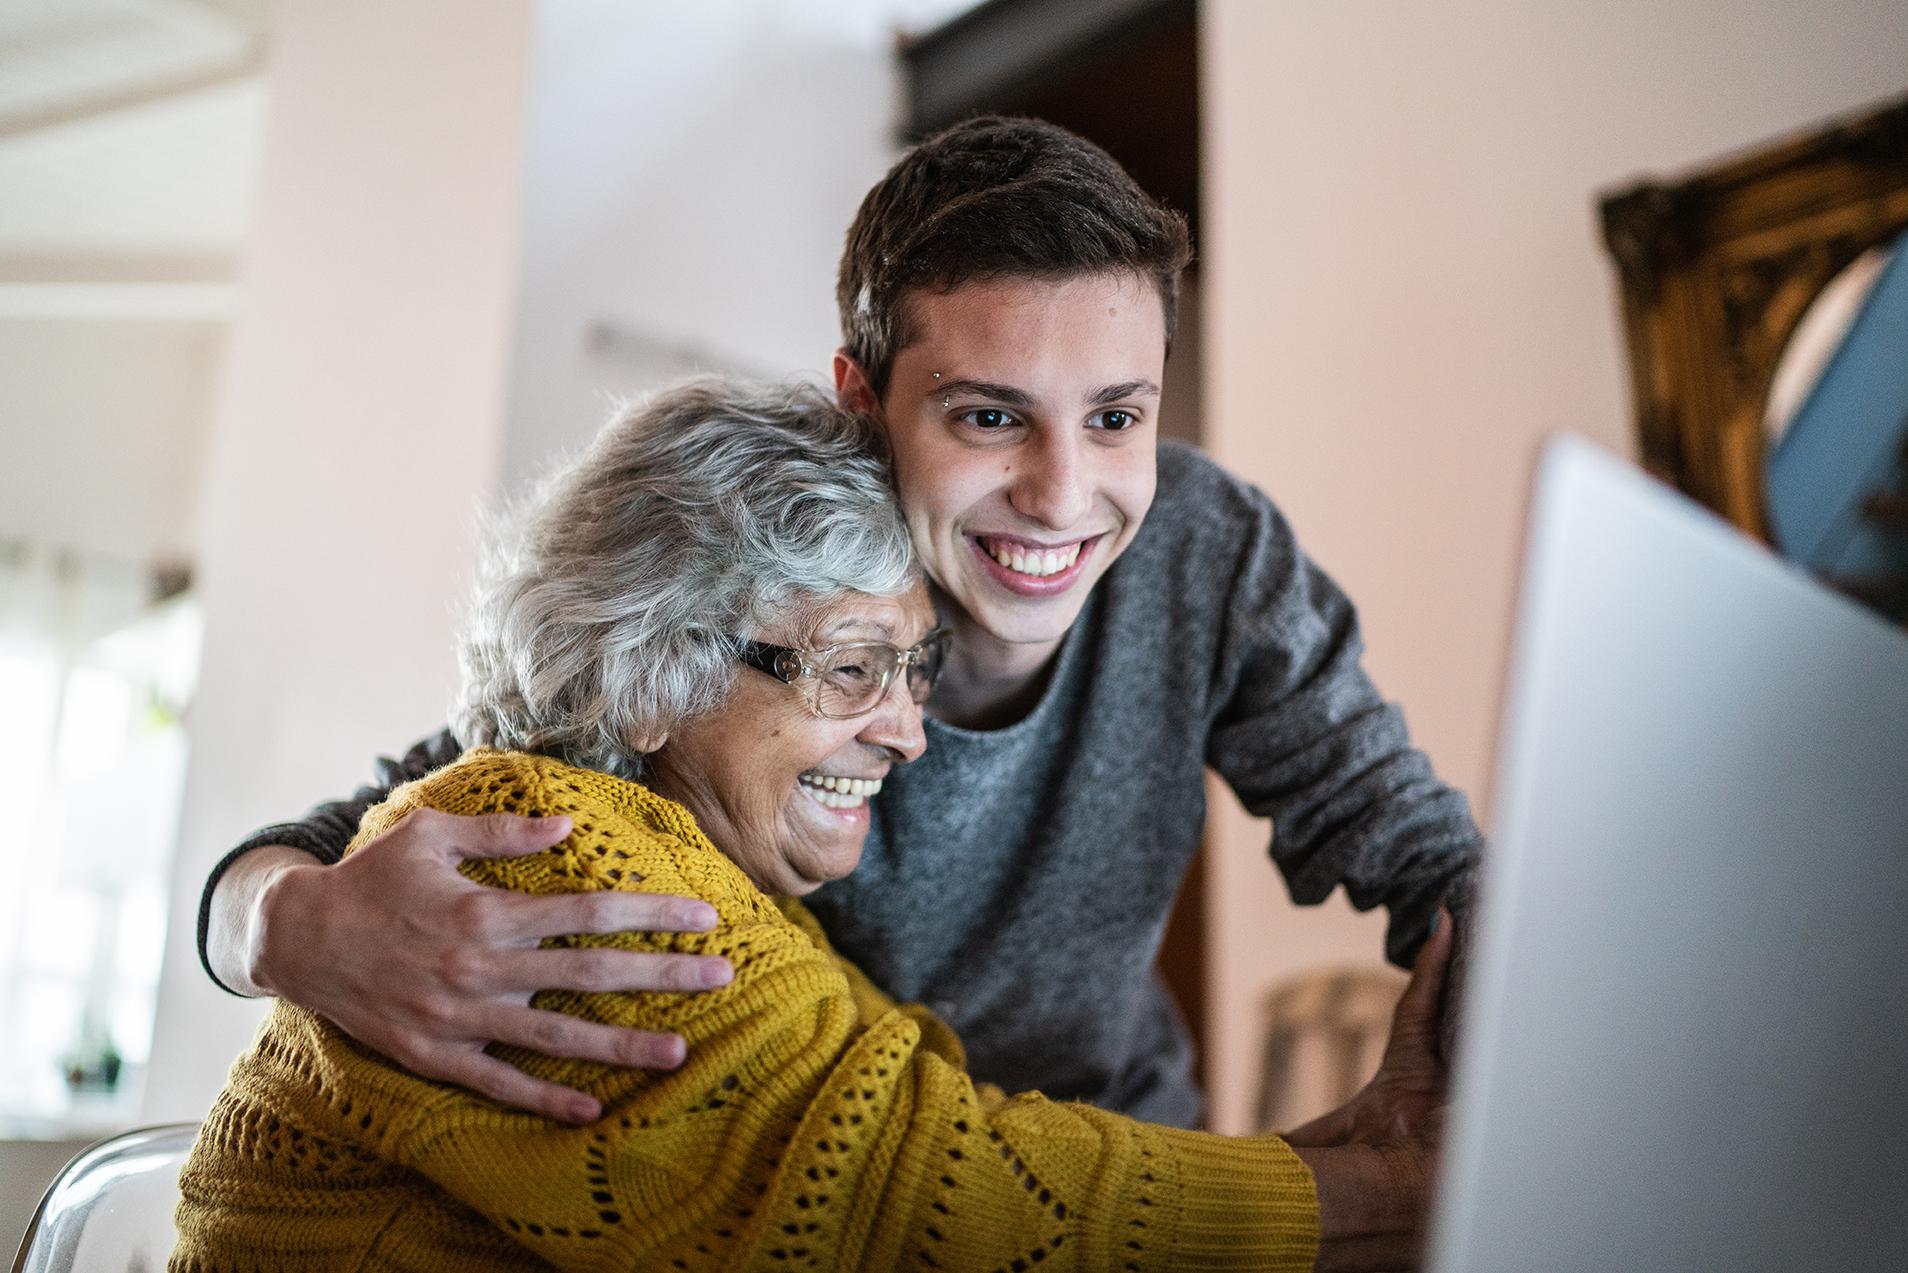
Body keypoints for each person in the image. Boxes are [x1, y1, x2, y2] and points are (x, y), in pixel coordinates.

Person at [198, 118, 1478, 1263]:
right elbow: (484, 767)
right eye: (988, 417)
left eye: (1116, 417)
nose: (1062, 494)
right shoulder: (757, 573)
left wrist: (1521, 1076)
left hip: (1119, 1168)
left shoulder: (1209, 549)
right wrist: (278, 926)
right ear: (862, 401)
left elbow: (1423, 856)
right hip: (876, 1196)